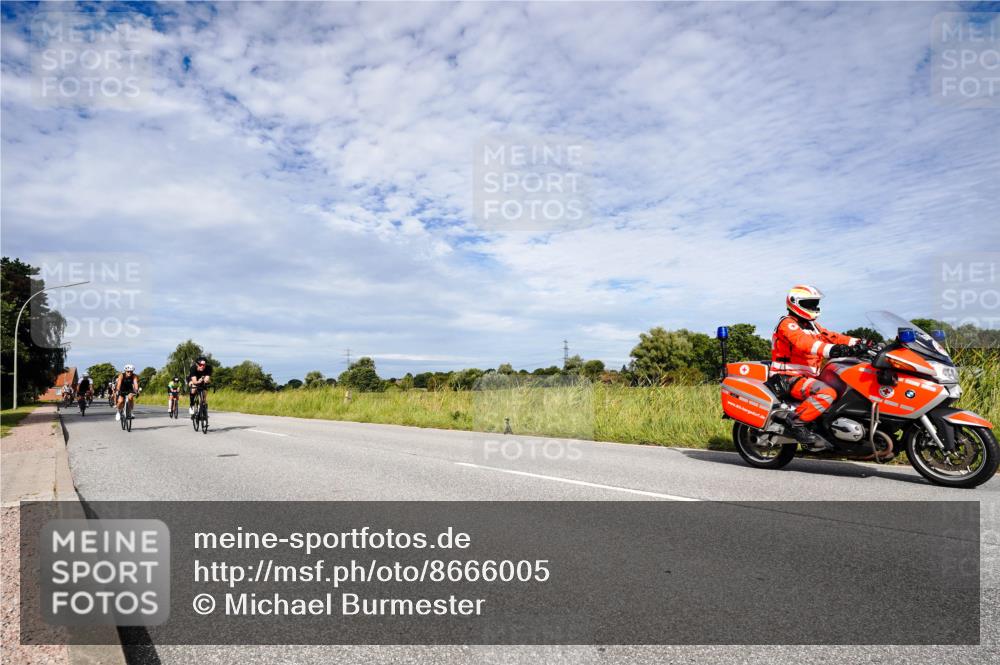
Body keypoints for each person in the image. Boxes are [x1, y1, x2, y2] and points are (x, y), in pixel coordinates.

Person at [771, 285, 867, 449]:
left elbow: (833, 337)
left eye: (815, 303)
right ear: (795, 303)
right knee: (826, 392)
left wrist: (860, 343)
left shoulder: (812, 326)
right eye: (809, 303)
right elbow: (805, 344)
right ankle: (796, 423)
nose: (814, 307)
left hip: (807, 377)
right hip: (788, 377)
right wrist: (833, 350)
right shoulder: (788, 324)